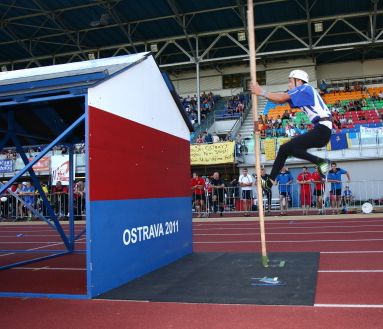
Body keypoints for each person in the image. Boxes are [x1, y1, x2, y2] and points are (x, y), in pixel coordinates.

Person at [251, 70, 332, 187]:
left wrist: (262, 92)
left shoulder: (305, 88)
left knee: (286, 148)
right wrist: (260, 93)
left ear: (298, 81)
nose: (289, 84)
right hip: (322, 130)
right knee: (285, 149)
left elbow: (281, 98)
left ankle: (320, 162)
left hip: (322, 129)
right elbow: (278, 100)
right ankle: (269, 182)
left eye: (290, 81)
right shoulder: (301, 92)